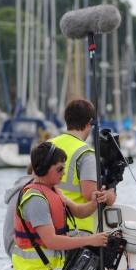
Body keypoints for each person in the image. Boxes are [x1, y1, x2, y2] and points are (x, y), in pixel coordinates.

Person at [11, 141, 109, 270]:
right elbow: (51, 241)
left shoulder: (53, 191)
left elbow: (79, 212)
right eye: (59, 169)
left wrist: (94, 203)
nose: (63, 173)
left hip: (53, 269)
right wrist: (90, 240)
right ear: (43, 170)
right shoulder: (36, 200)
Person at [50, 98, 116, 236]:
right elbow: (90, 195)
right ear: (90, 122)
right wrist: (109, 195)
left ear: (66, 119)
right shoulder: (85, 153)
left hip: (48, 223)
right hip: (77, 228)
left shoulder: (48, 145)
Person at [3, 164, 33, 257]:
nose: (63, 173)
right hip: (21, 252)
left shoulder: (21, 187)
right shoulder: (32, 192)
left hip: (12, 248)